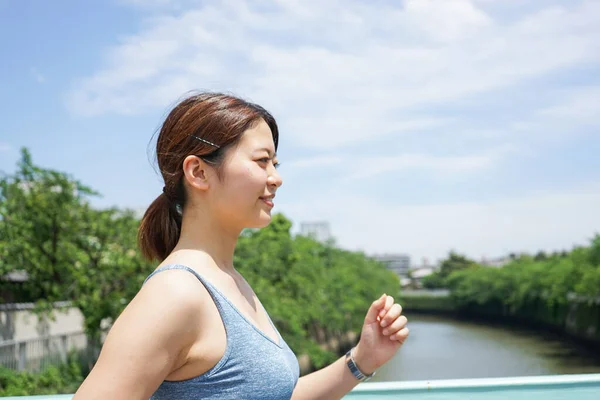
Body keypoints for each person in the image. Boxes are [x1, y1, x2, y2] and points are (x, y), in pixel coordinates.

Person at [73, 92, 409, 400]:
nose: (276, 177)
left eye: (275, 164)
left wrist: (362, 359)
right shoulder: (175, 293)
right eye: (262, 161)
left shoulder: (229, 279)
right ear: (198, 172)